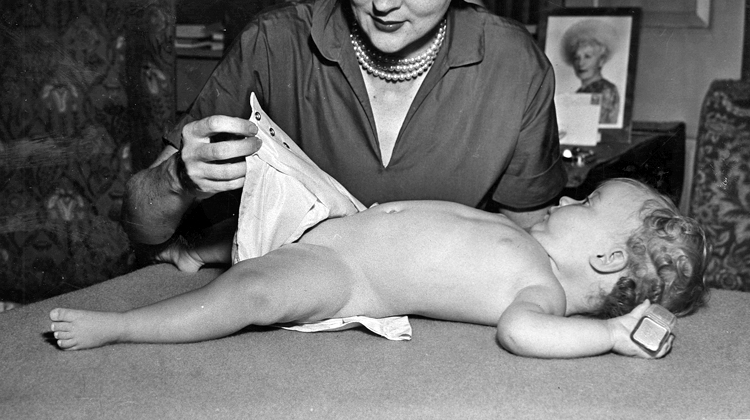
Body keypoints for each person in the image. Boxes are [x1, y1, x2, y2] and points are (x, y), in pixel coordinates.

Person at [121, 0, 567, 262]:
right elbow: (141, 225)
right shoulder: (275, 45)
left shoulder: (514, 65)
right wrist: (177, 179)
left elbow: (533, 246)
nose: (384, 2)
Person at [50, 99, 709, 358]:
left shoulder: (539, 292)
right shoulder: (533, 240)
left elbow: (521, 332)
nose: (569, 201)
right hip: (339, 219)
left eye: (587, 206)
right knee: (263, 179)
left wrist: (610, 334)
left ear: (606, 257)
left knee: (250, 294)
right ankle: (197, 248)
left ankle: (122, 326)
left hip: (347, 274)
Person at [562, 22, 620, 125]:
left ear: (601, 60)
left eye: (587, 56)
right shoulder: (579, 92)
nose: (580, 63)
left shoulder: (606, 90)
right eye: (577, 58)